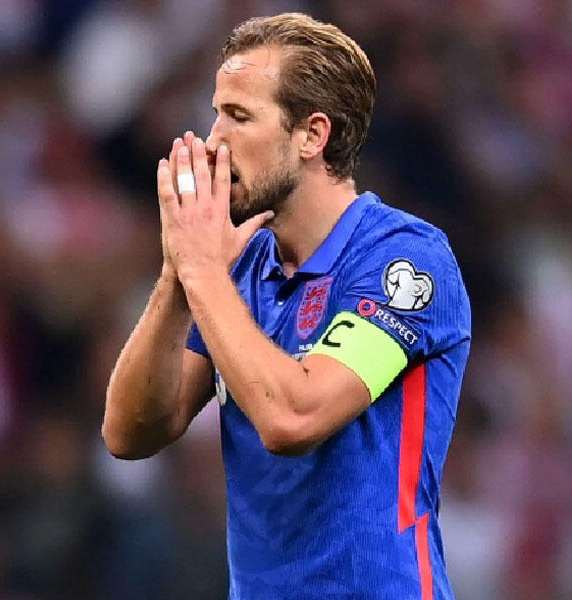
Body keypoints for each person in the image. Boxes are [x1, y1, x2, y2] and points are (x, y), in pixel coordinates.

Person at [102, 12, 471, 600]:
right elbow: (130, 433)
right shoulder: (238, 268)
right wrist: (176, 278)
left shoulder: (404, 258)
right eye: (216, 113)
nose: (213, 140)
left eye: (239, 116)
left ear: (311, 136)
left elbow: (293, 419)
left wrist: (203, 271)